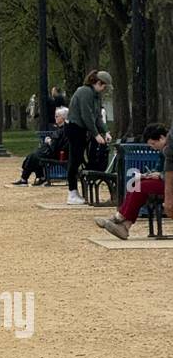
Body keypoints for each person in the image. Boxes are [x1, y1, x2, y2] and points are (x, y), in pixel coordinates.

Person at [95, 123, 169, 239]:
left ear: (162, 138)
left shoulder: (169, 149)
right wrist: (149, 174)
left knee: (141, 187)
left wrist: (159, 175)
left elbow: (165, 172)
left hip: (169, 182)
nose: (153, 147)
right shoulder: (163, 151)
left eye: (154, 144)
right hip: (166, 181)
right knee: (136, 184)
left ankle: (119, 218)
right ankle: (124, 225)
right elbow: (159, 168)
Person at [65, 70, 112, 206]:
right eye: (104, 86)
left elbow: (97, 116)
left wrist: (105, 131)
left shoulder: (96, 96)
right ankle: (72, 192)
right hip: (74, 128)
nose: (104, 90)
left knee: (79, 158)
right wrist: (96, 134)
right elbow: (87, 115)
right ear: (98, 83)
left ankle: (75, 192)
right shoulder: (84, 92)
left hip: (82, 129)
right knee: (75, 159)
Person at [12, 107, 69, 186]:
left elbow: (56, 145)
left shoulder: (63, 129)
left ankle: (25, 178)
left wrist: (49, 141)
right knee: (33, 156)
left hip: (56, 153)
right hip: (54, 151)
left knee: (34, 157)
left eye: (57, 116)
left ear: (63, 118)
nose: (55, 118)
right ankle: (38, 177)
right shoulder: (63, 128)